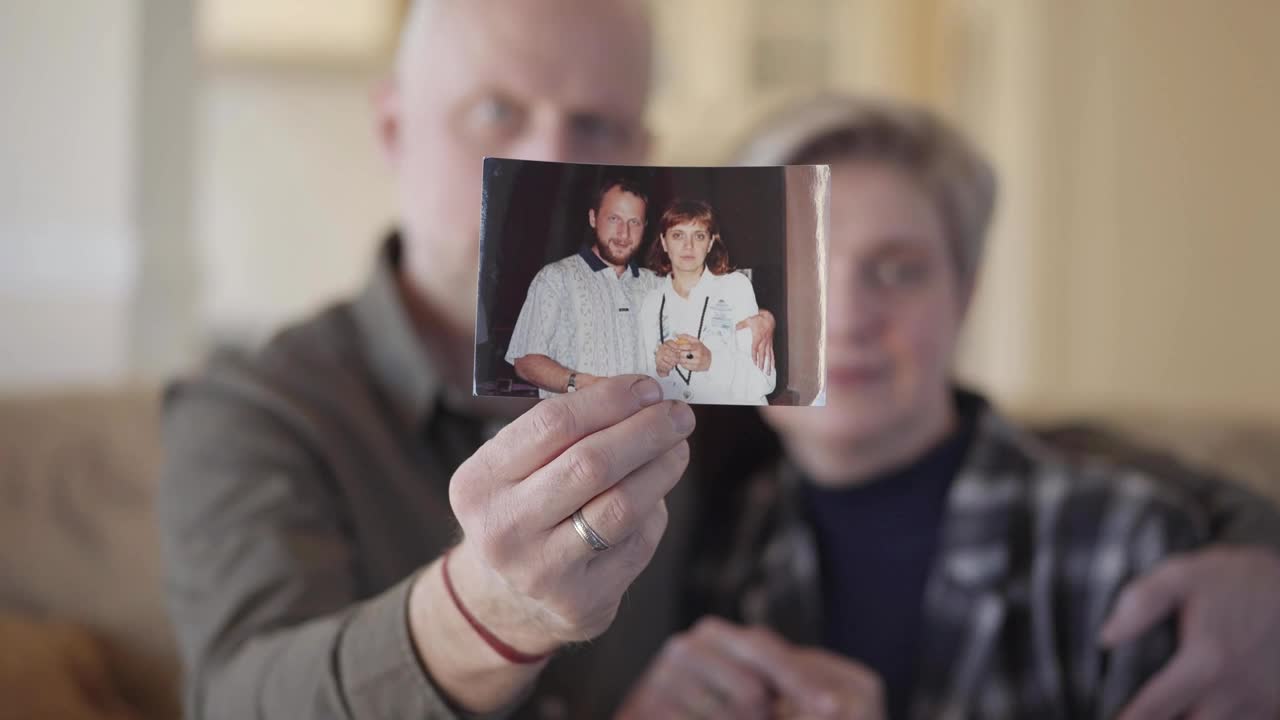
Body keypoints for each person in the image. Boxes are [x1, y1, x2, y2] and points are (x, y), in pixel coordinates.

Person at [157, 0, 1280, 717]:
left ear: (643, 158)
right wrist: (483, 612)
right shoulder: (260, 410)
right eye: (495, 112)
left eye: (598, 127)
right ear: (394, 130)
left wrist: (1256, 554)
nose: (546, 161)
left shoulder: (702, 378)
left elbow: (953, 439)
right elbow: (240, 696)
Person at [616, 95, 1280, 719]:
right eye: (793, 267)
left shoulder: (1127, 550)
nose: (844, 318)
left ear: (965, 294)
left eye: (897, 270)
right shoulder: (714, 541)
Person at [506, 179, 777, 397]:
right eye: (614, 219)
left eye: (634, 222)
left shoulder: (651, 284)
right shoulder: (555, 278)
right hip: (578, 420)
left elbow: (699, 291)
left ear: (645, 228)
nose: (624, 233)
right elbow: (525, 361)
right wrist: (581, 383)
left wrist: (765, 318)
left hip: (640, 420)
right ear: (593, 218)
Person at [638, 199, 776, 404]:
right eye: (678, 235)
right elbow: (647, 390)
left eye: (699, 236)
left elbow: (763, 380)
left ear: (710, 243)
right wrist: (660, 370)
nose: (688, 245)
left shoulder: (736, 288)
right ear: (664, 242)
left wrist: (712, 362)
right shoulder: (651, 303)